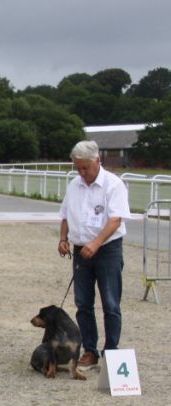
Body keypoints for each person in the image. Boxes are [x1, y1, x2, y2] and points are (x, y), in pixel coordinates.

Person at [58, 140, 131, 369]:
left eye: (85, 168)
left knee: (110, 302)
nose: (81, 172)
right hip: (81, 251)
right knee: (83, 303)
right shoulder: (74, 185)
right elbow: (65, 215)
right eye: (77, 168)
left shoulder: (113, 185)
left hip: (107, 249)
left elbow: (115, 219)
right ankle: (90, 350)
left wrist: (97, 243)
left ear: (98, 161)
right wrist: (63, 238)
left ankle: (110, 351)